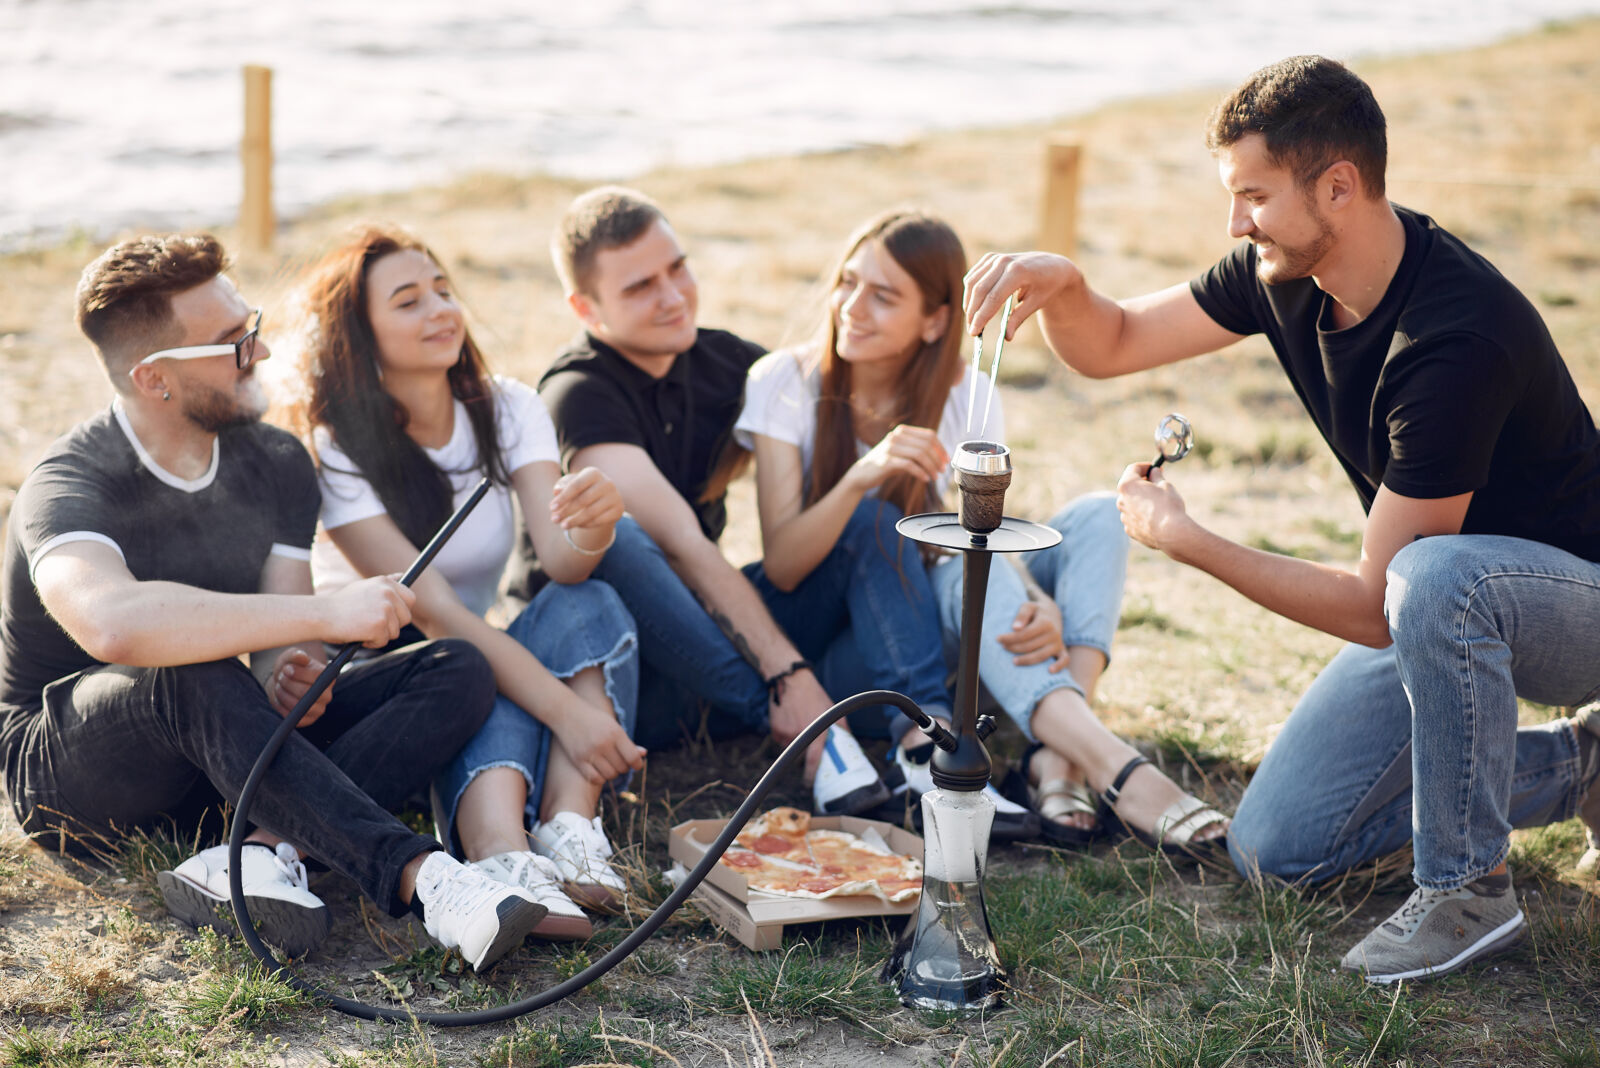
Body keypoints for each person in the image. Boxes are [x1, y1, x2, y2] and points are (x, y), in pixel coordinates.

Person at [964, 55, 1600, 983]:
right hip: (1441, 613)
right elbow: (1112, 343)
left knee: (1431, 580)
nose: (1234, 222)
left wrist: (1187, 540)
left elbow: (1372, 608)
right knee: (1275, 847)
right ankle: (1585, 767)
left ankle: (1467, 891)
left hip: (1567, 611)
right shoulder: (1282, 272)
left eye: (1252, 195)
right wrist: (1066, 288)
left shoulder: (1456, 341)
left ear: (1337, 186)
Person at [0, 234, 550, 972]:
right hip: (73, 777)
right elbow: (114, 623)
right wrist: (324, 616)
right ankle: (429, 879)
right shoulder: (68, 483)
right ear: (156, 379)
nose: (259, 352)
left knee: (454, 666)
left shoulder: (277, 461)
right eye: (232, 342)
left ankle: (257, 851)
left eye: (250, 326)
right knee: (191, 667)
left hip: (221, 753)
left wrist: (292, 674)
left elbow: (276, 653)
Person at [734, 209, 1228, 852]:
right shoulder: (783, 382)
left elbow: (977, 533)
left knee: (1095, 518)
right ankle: (1110, 764)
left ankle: (1061, 755)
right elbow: (783, 566)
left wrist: (1038, 596)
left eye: (882, 296)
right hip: (856, 646)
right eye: (847, 283)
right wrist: (861, 476)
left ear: (935, 319)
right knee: (943, 551)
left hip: (953, 619)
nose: (852, 307)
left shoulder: (964, 392)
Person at [285, 226, 645, 937]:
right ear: (357, 334)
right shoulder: (336, 447)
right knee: (480, 661)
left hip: (471, 651)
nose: (442, 311)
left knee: (585, 598)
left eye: (444, 291)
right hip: (398, 677)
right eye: (409, 301)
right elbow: (435, 612)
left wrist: (596, 523)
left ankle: (570, 826)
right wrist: (568, 714)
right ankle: (499, 853)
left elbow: (563, 561)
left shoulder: (505, 406)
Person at [537, 186, 936, 817]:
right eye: (640, 287)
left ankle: (927, 743)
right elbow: (682, 546)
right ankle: (808, 722)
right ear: (586, 308)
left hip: (714, 639)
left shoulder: (727, 364)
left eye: (678, 268)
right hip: (626, 664)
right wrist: (787, 677)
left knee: (870, 521)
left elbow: (845, 421)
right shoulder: (578, 392)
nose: (673, 296)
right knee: (626, 538)